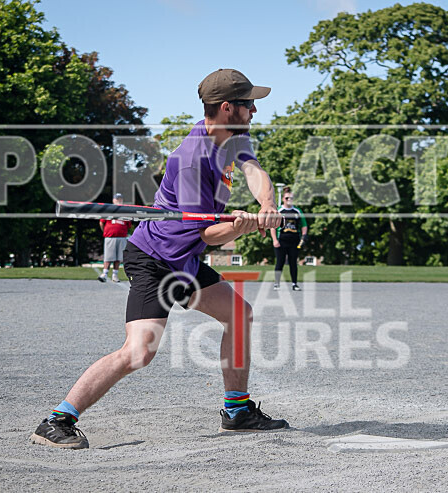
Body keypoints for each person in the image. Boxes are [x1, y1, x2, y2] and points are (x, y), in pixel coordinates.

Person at [30, 69, 288, 449]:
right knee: (138, 352)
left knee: (239, 313)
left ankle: (237, 411)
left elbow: (254, 171)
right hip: (156, 258)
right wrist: (242, 227)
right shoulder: (191, 162)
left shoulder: (232, 137)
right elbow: (208, 234)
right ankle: (56, 420)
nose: (254, 110)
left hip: (182, 258)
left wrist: (266, 204)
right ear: (227, 107)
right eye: (249, 104)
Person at [270, 186, 307, 291]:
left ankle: (294, 283)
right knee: (279, 262)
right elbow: (272, 226)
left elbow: (304, 225)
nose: (289, 200)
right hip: (281, 240)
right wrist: (274, 240)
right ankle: (276, 283)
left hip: (294, 241)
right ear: (283, 199)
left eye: (291, 198)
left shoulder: (297, 211)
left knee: (293, 263)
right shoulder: (279, 211)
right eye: (287, 198)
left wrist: (304, 237)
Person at [98, 193, 130, 283]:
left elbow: (128, 225)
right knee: (108, 256)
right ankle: (104, 274)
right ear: (113, 200)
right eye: (117, 199)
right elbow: (101, 222)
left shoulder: (125, 211)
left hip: (121, 237)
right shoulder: (109, 210)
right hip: (110, 236)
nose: (118, 201)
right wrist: (106, 232)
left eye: (120, 199)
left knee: (118, 257)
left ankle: (115, 275)